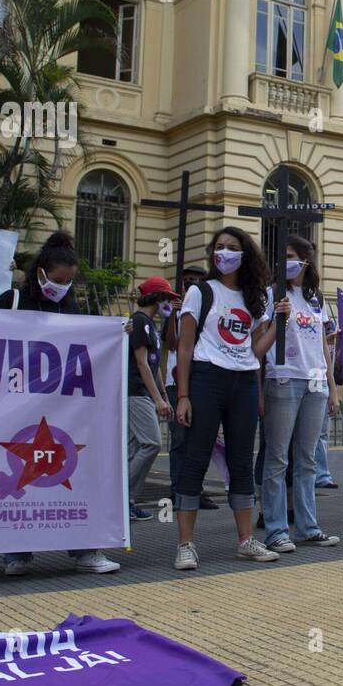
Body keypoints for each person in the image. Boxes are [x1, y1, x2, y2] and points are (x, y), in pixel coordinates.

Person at [0, 232, 122, 577]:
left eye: (69, 281)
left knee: (72, 474)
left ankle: (84, 549)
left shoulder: (70, 306)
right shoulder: (13, 299)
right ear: (41, 273)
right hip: (17, 404)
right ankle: (16, 553)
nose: (62, 286)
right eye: (58, 280)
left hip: (62, 406)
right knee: (21, 475)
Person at [173, 227, 280, 570]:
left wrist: (280, 323)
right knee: (195, 458)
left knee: (241, 461)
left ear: (244, 255)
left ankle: (246, 540)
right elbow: (185, 346)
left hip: (244, 382)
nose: (224, 253)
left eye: (231, 248)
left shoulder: (254, 298)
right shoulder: (200, 292)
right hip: (206, 378)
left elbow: (257, 351)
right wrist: (184, 395)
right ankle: (185, 545)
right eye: (219, 247)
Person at [260, 235, 342, 554]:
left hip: (315, 383)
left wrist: (332, 388)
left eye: (293, 256)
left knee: (307, 460)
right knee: (278, 458)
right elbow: (260, 340)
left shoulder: (315, 299)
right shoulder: (271, 294)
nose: (288, 262)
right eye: (283, 257)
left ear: (306, 260)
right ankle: (276, 530)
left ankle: (308, 526)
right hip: (283, 379)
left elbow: (322, 343)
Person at [160, 266, 216, 508]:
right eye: (187, 281)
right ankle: (177, 489)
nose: (191, 284)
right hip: (176, 383)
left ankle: (195, 488)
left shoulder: (207, 307)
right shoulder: (175, 310)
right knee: (180, 438)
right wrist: (173, 314)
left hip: (201, 380)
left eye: (195, 280)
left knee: (200, 439)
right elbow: (172, 343)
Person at [127, 276, 179, 522]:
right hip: (136, 392)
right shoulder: (139, 322)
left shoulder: (150, 325)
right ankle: (123, 498)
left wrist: (163, 396)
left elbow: (155, 365)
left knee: (135, 447)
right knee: (151, 443)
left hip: (144, 392)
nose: (170, 303)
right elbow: (141, 363)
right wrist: (158, 398)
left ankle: (128, 500)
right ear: (157, 298)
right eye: (167, 298)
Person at [314, 299, 340, 490]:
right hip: (311, 373)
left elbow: (327, 354)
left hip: (319, 375)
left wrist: (333, 391)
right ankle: (318, 474)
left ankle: (321, 475)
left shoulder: (319, 304)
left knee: (322, 430)